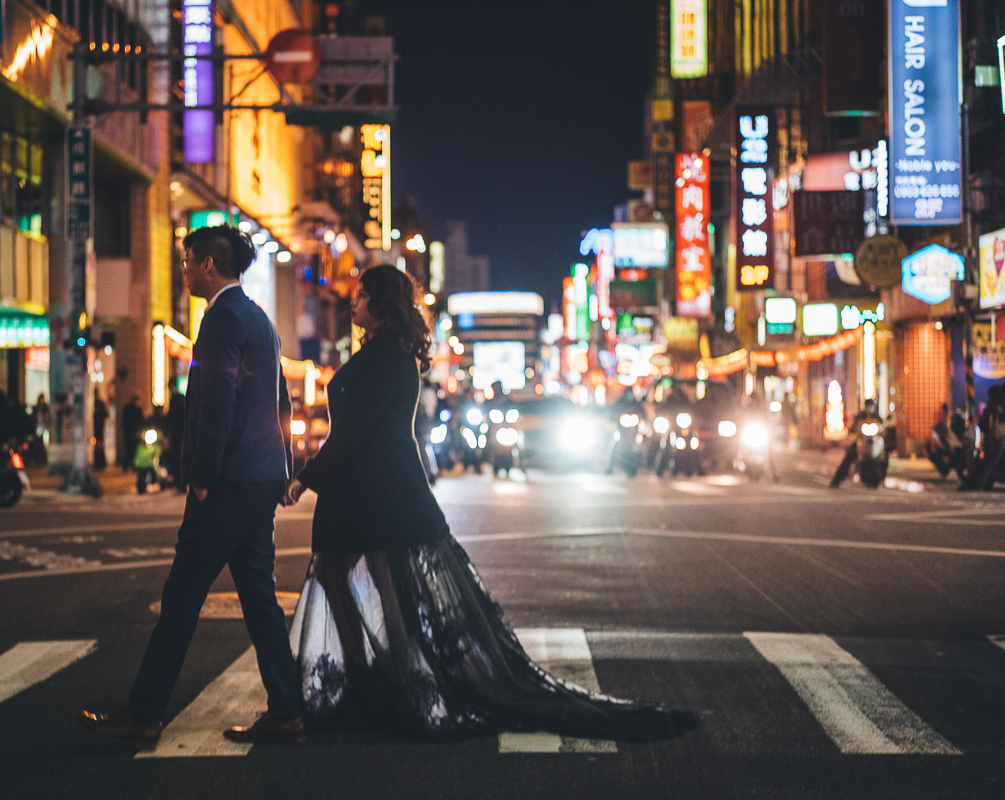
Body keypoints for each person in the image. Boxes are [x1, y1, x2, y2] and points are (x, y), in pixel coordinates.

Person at [282, 265, 696, 742]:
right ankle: (374, 676)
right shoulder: (382, 354)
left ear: (380, 303)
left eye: (360, 297)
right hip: (363, 488)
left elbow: (353, 432)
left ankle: (398, 680)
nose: (352, 304)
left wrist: (307, 476)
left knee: (387, 583)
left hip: (378, 489)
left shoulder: (386, 358)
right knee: (351, 577)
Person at [78, 224, 301, 746]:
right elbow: (280, 404)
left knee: (181, 598)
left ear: (207, 265)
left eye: (186, 262)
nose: (182, 271)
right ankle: (288, 711)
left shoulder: (222, 318)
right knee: (258, 596)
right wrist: (282, 467)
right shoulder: (258, 318)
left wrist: (201, 478)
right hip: (259, 478)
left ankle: (143, 716)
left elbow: (216, 403)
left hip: (225, 485)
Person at [961, 384, 1005, 492]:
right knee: (988, 465)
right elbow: (995, 425)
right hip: (998, 439)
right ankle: (977, 485)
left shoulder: (1000, 405)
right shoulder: (999, 407)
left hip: (1000, 439)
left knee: (1003, 463)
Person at [829, 398, 883, 488]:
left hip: (874, 441)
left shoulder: (877, 416)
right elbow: (854, 425)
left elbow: (882, 425)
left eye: (870, 405)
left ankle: (882, 474)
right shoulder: (861, 416)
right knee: (850, 455)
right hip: (862, 441)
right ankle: (837, 480)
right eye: (868, 405)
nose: (869, 407)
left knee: (884, 453)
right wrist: (853, 428)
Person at [121, 394, 145, 472]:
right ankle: (128, 466)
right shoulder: (131, 409)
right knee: (130, 450)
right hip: (131, 432)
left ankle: (132, 466)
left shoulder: (136, 409)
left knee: (133, 450)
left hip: (134, 432)